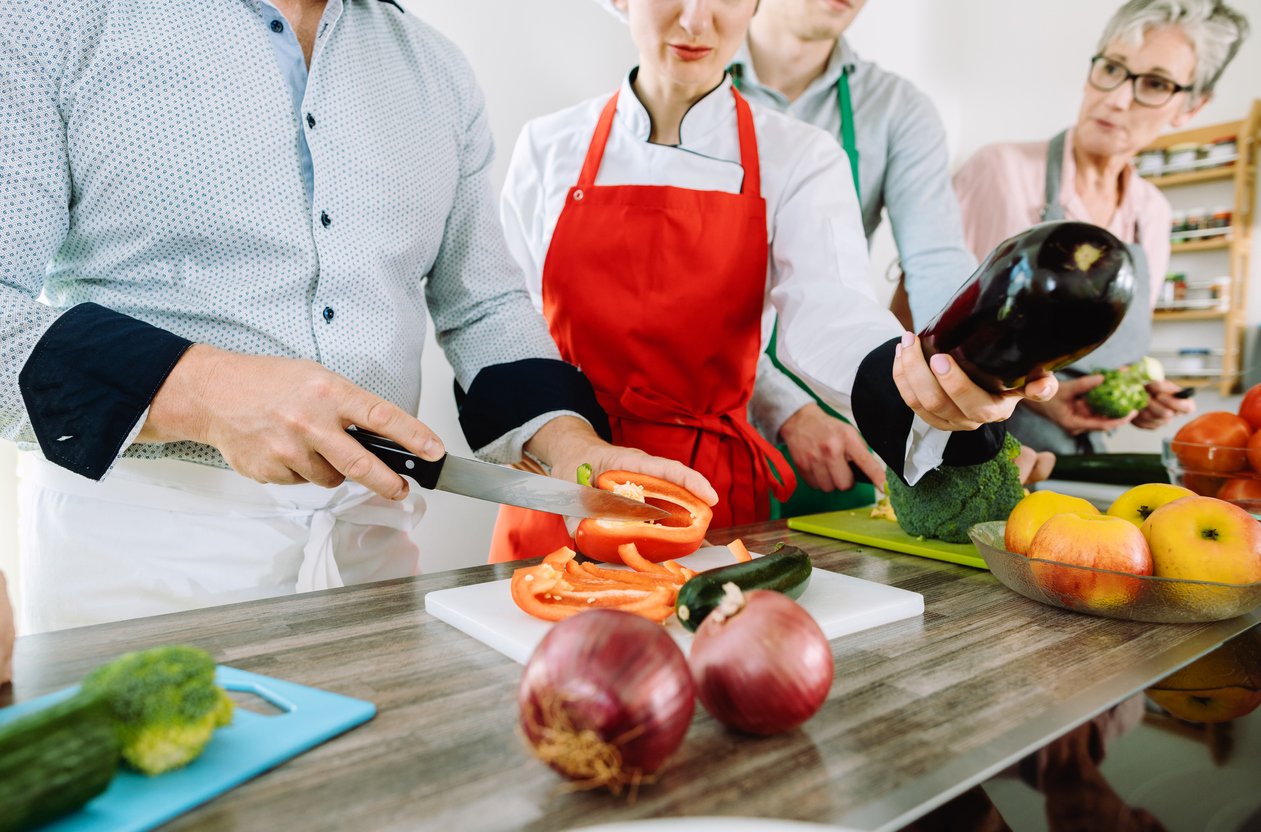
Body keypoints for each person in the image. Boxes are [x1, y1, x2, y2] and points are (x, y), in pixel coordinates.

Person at [0, 0, 718, 633]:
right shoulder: (51, 17)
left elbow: (484, 305)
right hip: (140, 551)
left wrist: (571, 450)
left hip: (371, 551)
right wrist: (206, 391)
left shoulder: (436, 67)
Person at [487, 0, 1059, 562]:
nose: (695, 20)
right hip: (565, 477)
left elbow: (832, 313)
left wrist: (928, 388)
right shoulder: (547, 146)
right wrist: (557, 446)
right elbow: (507, 323)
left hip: (702, 495)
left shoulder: (799, 155)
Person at [727, 0, 1032, 511]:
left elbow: (936, 263)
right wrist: (783, 405)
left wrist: (972, 383)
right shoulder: (692, 75)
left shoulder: (895, 107)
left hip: (837, 391)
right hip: (705, 388)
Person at [954, 0, 1248, 455]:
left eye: (1154, 83)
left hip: (1085, 462)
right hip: (982, 446)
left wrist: (1139, 395)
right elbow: (916, 329)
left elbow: (1110, 354)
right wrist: (1039, 401)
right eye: (1111, 68)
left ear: (1190, 107)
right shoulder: (1000, 171)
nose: (1117, 98)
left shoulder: (1152, 212)